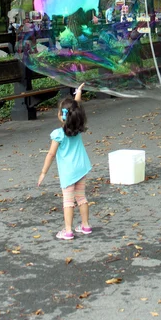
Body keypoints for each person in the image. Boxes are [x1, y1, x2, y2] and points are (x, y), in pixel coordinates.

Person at [38, 83, 92, 240]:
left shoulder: (58, 134)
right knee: (81, 197)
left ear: (61, 115)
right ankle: (86, 225)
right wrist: (79, 93)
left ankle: (68, 231)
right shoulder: (78, 127)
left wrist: (43, 173)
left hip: (68, 173)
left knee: (68, 201)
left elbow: (50, 154)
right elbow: (77, 107)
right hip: (81, 168)